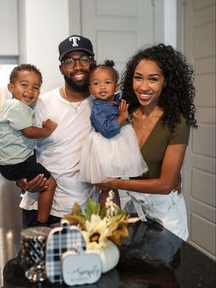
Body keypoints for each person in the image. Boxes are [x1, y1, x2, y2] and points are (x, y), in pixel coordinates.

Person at [96, 43, 198, 240]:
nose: (143, 87)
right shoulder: (124, 115)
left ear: (166, 82)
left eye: (153, 79)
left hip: (166, 216)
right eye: (138, 77)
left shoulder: (176, 122)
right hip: (135, 211)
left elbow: (165, 185)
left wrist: (115, 183)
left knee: (165, 270)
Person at [17, 35, 99, 227]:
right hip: (42, 208)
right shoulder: (42, 104)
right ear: (61, 68)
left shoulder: (104, 105)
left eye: (84, 59)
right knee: (39, 258)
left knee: (88, 259)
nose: (78, 66)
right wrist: (20, 179)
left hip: (88, 211)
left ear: (93, 63)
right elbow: (18, 149)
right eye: (70, 61)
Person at [79, 60, 147, 207]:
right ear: (90, 89)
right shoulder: (98, 109)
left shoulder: (117, 101)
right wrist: (122, 117)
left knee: (113, 186)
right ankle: (108, 219)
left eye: (107, 82)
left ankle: (113, 217)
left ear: (116, 86)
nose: (102, 87)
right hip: (105, 147)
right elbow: (108, 130)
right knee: (108, 186)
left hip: (116, 146)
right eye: (96, 84)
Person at [0, 64, 57, 225]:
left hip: (10, 163)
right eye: (24, 85)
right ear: (11, 87)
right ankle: (42, 223)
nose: (30, 91)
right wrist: (48, 130)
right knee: (50, 183)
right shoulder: (17, 106)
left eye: (35, 87)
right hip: (16, 164)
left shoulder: (18, 106)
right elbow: (29, 132)